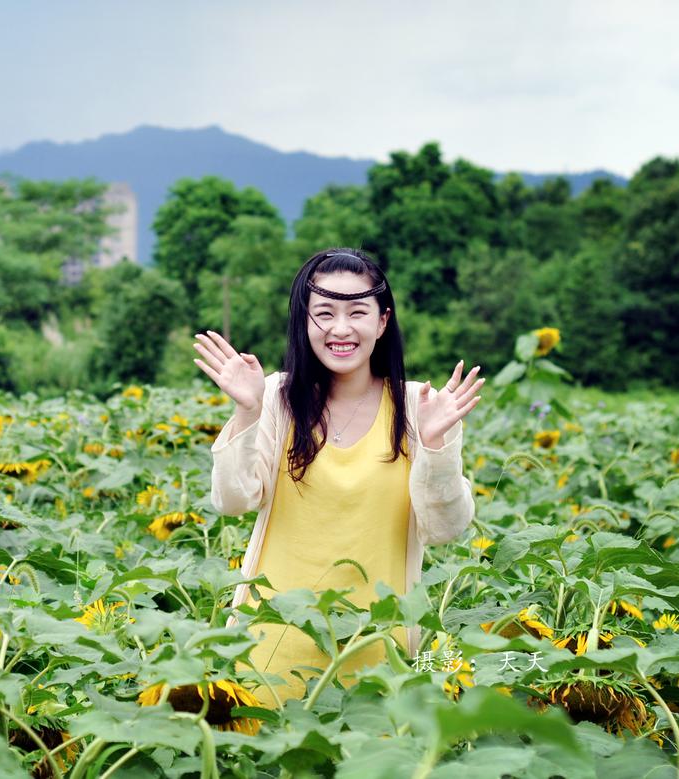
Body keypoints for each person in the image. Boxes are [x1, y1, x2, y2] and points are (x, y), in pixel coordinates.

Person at [192, 248, 483, 707]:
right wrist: (247, 410)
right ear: (304, 323)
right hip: (271, 644)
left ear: (382, 322)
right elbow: (233, 500)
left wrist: (434, 444)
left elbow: (445, 528)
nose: (341, 329)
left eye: (357, 313)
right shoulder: (277, 397)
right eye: (325, 313)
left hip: (378, 645)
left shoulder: (419, 407)